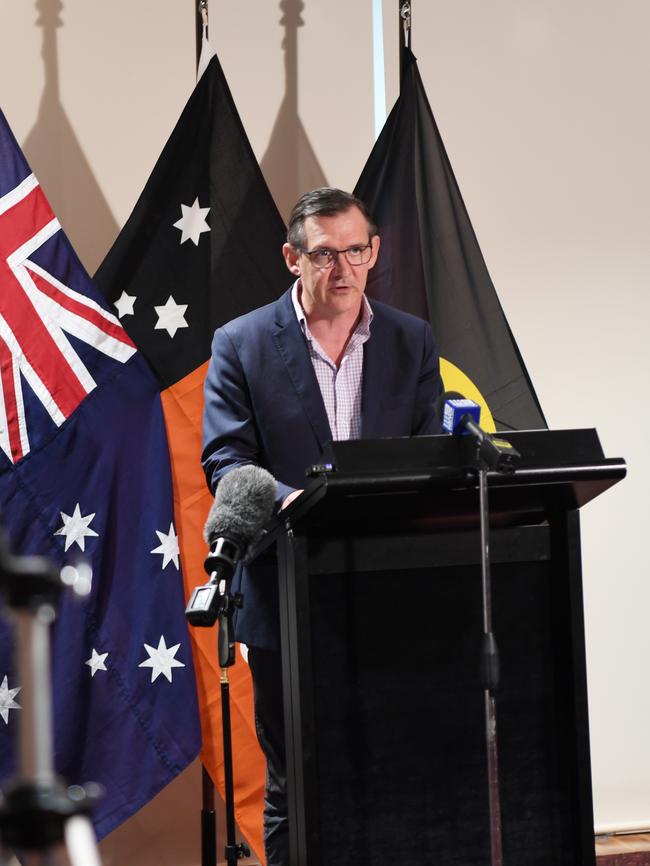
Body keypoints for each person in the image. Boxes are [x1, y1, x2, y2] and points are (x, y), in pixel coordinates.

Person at [201, 187, 443, 866]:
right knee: (297, 783)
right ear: (292, 258)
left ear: (375, 251)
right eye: (325, 254)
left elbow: (427, 447)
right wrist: (305, 503)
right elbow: (226, 459)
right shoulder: (242, 344)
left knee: (389, 770)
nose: (344, 269)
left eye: (357, 251)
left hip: (388, 598)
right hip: (284, 597)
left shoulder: (410, 339)